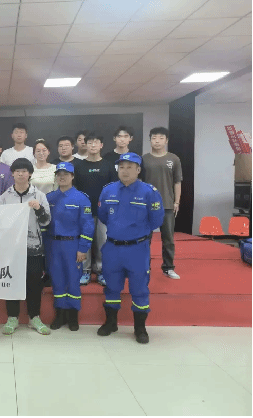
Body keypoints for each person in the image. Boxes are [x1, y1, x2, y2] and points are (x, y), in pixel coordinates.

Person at [97, 152, 164, 344]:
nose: (125, 171)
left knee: (139, 288)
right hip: (113, 248)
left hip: (137, 249)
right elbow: (103, 216)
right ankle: (111, 323)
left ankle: (140, 328)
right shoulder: (108, 191)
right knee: (111, 287)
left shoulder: (149, 192)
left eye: (129, 167)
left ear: (138, 169)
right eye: (121, 167)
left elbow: (156, 220)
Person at [0, 158, 51, 336]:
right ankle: (12, 317)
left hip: (33, 247)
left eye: (24, 171)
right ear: (12, 174)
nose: (20, 174)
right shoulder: (5, 196)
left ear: (30, 174)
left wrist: (39, 209)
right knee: (11, 282)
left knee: (34, 284)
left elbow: (46, 221)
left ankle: (34, 317)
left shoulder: (39, 195)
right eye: (17, 171)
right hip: (11, 249)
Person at [46, 162, 94, 331]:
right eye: (59, 174)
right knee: (57, 280)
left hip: (72, 245)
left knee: (73, 280)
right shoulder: (50, 198)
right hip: (53, 245)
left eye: (66, 174)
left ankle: (73, 317)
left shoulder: (81, 198)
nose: (62, 177)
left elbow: (88, 225)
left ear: (72, 176)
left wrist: (83, 248)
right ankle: (60, 315)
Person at [73, 133, 118, 286]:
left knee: (103, 243)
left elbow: (114, 189)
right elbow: (74, 188)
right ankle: (85, 271)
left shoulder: (108, 165)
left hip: (103, 212)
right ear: (85, 145)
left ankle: (101, 271)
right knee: (84, 242)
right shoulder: (78, 166)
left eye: (96, 142)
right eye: (90, 142)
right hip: (84, 212)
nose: (93, 145)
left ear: (101, 145)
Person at [141, 127, 182, 280]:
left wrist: (177, 201)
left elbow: (177, 182)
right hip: (147, 206)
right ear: (150, 140)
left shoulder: (174, 159)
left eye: (160, 138)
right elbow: (138, 182)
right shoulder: (143, 159)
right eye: (154, 138)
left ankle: (168, 268)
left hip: (167, 204)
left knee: (168, 239)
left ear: (166, 140)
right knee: (145, 239)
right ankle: (144, 267)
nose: (157, 141)